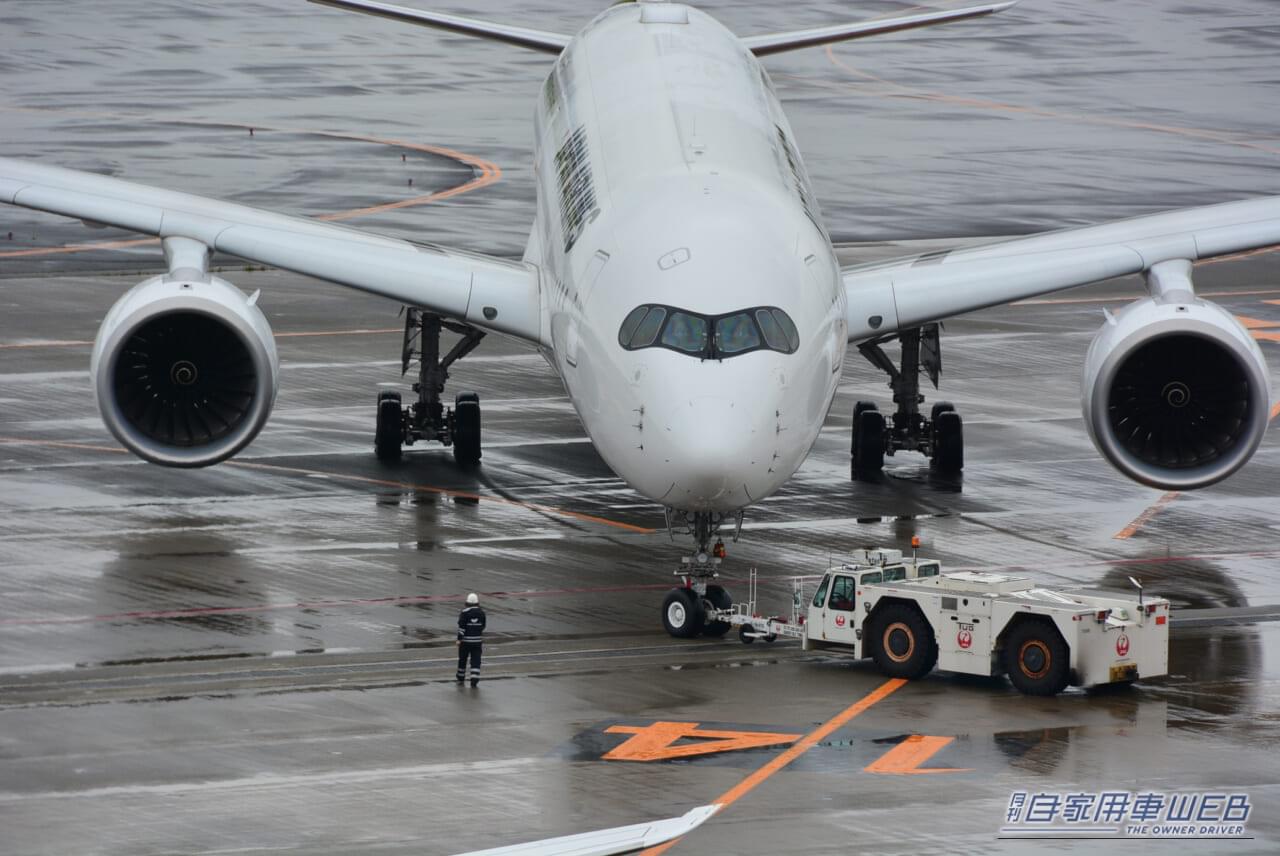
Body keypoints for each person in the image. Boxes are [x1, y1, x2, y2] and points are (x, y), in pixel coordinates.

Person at [456, 593, 485, 687]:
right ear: (477, 602)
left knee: (463, 659)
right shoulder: (481, 613)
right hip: (477, 641)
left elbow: (462, 627)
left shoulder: (464, 612)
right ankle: (474, 678)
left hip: (465, 642)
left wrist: (459, 639)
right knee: (476, 660)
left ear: (467, 602)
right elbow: (483, 626)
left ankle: (460, 677)